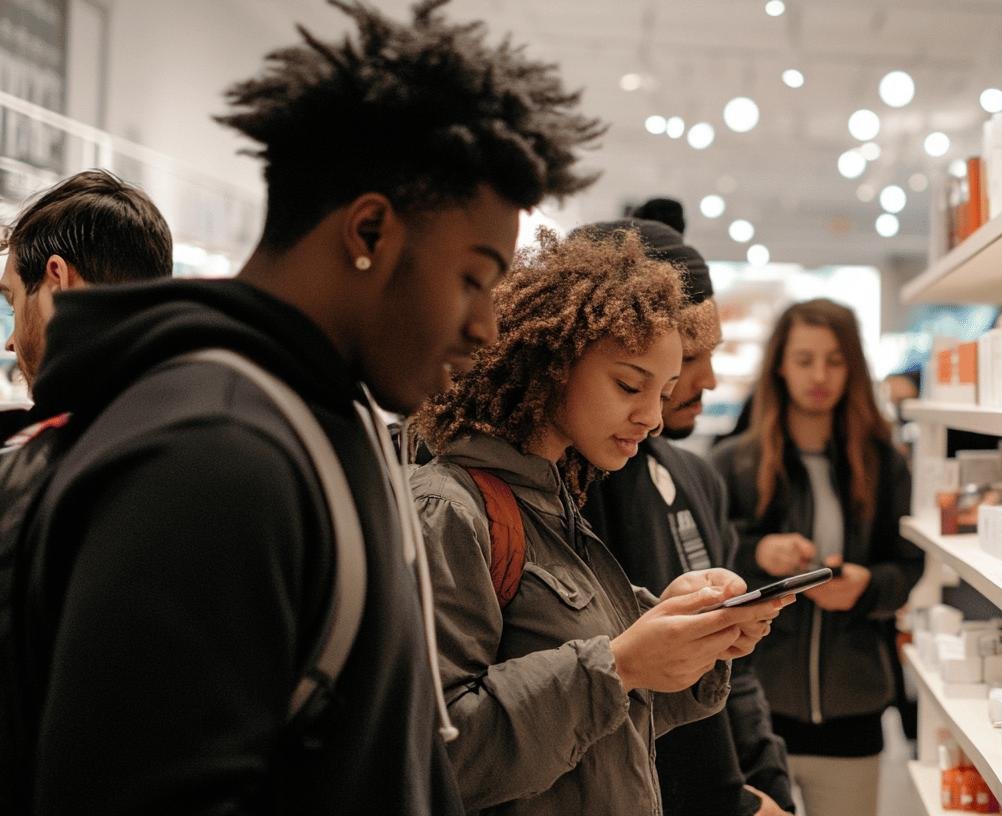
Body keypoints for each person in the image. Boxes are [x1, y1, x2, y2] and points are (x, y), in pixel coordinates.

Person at [7, 1, 602, 812]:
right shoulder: (215, 452)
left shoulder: (323, 416)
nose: (488, 324)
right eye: (473, 277)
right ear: (368, 231)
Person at [410, 229, 787, 816]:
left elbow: (602, 731)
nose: (653, 418)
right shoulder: (452, 509)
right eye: (629, 385)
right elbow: (442, 753)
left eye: (663, 392)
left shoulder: (555, 500)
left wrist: (689, 639)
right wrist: (623, 663)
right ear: (550, 364)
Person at [578, 208, 795, 816]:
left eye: (701, 354)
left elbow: (736, 669)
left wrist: (771, 787)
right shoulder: (582, 490)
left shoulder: (696, 476)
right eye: (691, 357)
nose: (705, 377)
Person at [711, 298, 924, 816]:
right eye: (804, 359)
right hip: (755, 708)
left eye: (834, 359)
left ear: (853, 366)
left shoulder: (884, 463)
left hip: (854, 707)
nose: (820, 375)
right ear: (780, 364)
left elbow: (908, 564)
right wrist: (758, 551)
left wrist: (866, 586)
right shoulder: (732, 461)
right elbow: (705, 556)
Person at [0, 169, 173, 438]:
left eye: (15, 304)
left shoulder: (52, 455)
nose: (9, 343)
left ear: (57, 285)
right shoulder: (182, 418)